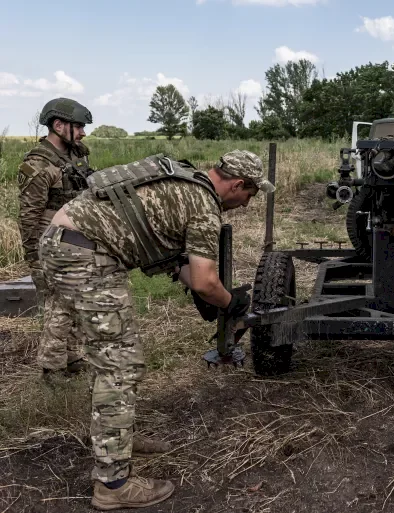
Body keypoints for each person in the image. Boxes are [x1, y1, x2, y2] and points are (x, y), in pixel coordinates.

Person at [39, 150, 275, 510]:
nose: (245, 205)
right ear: (238, 184)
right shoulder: (203, 205)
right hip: (84, 255)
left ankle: (118, 440)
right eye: (250, 195)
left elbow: (177, 264)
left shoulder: (185, 183)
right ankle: (113, 484)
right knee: (120, 365)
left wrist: (208, 291)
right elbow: (205, 280)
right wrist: (231, 303)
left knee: (111, 358)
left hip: (69, 245)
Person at [17, 98, 93, 381]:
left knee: (75, 300)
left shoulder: (76, 155)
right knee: (56, 305)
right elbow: (29, 217)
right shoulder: (37, 164)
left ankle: (72, 357)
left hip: (75, 241)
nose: (83, 133)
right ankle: (52, 368)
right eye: (79, 126)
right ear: (58, 125)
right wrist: (33, 257)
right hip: (48, 246)